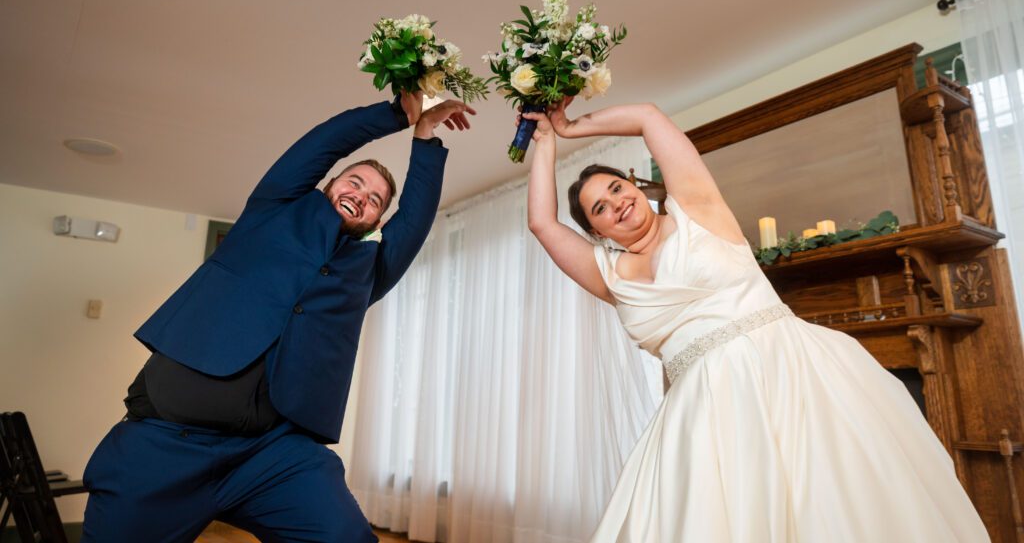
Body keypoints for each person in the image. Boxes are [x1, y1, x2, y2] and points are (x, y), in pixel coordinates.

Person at [523, 98, 989, 542]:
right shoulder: (609, 276)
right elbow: (543, 223)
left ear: (635, 187)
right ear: (596, 232)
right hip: (701, 414)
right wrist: (545, 143)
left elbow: (648, 117)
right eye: (599, 207)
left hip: (791, 376)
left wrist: (569, 127)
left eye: (617, 188)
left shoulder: (698, 212)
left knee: (827, 505)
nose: (617, 203)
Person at [82, 91, 475, 543]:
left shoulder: (368, 270)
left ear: (375, 222)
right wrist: (400, 113)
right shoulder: (273, 209)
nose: (362, 196)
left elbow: (417, 218)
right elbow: (322, 144)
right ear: (329, 185)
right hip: (165, 442)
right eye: (355, 182)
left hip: (273, 455)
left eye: (376, 200)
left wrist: (426, 138)